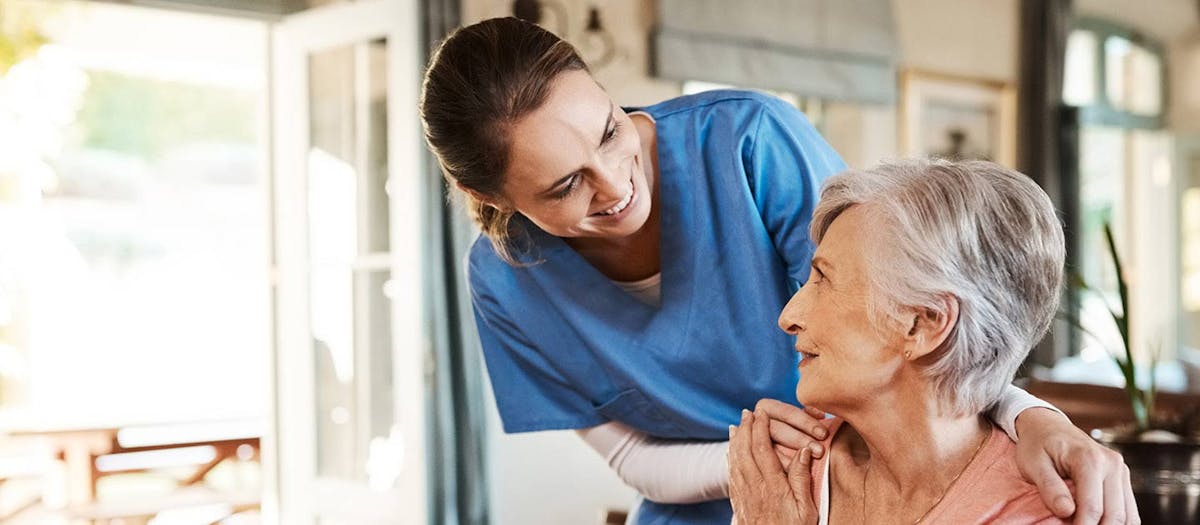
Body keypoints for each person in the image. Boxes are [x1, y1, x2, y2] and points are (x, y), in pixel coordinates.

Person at [420, 17, 1132, 525]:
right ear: (492, 201)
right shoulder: (505, 282)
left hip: (862, 475)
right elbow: (633, 457)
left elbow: (911, 315)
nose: (616, 186)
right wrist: (760, 478)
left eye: (610, 129)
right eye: (565, 186)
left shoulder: (748, 143)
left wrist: (1030, 414)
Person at [727, 159, 1137, 524]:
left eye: (823, 279)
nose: (788, 317)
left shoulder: (1045, 511)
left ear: (922, 325)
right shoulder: (783, 476)